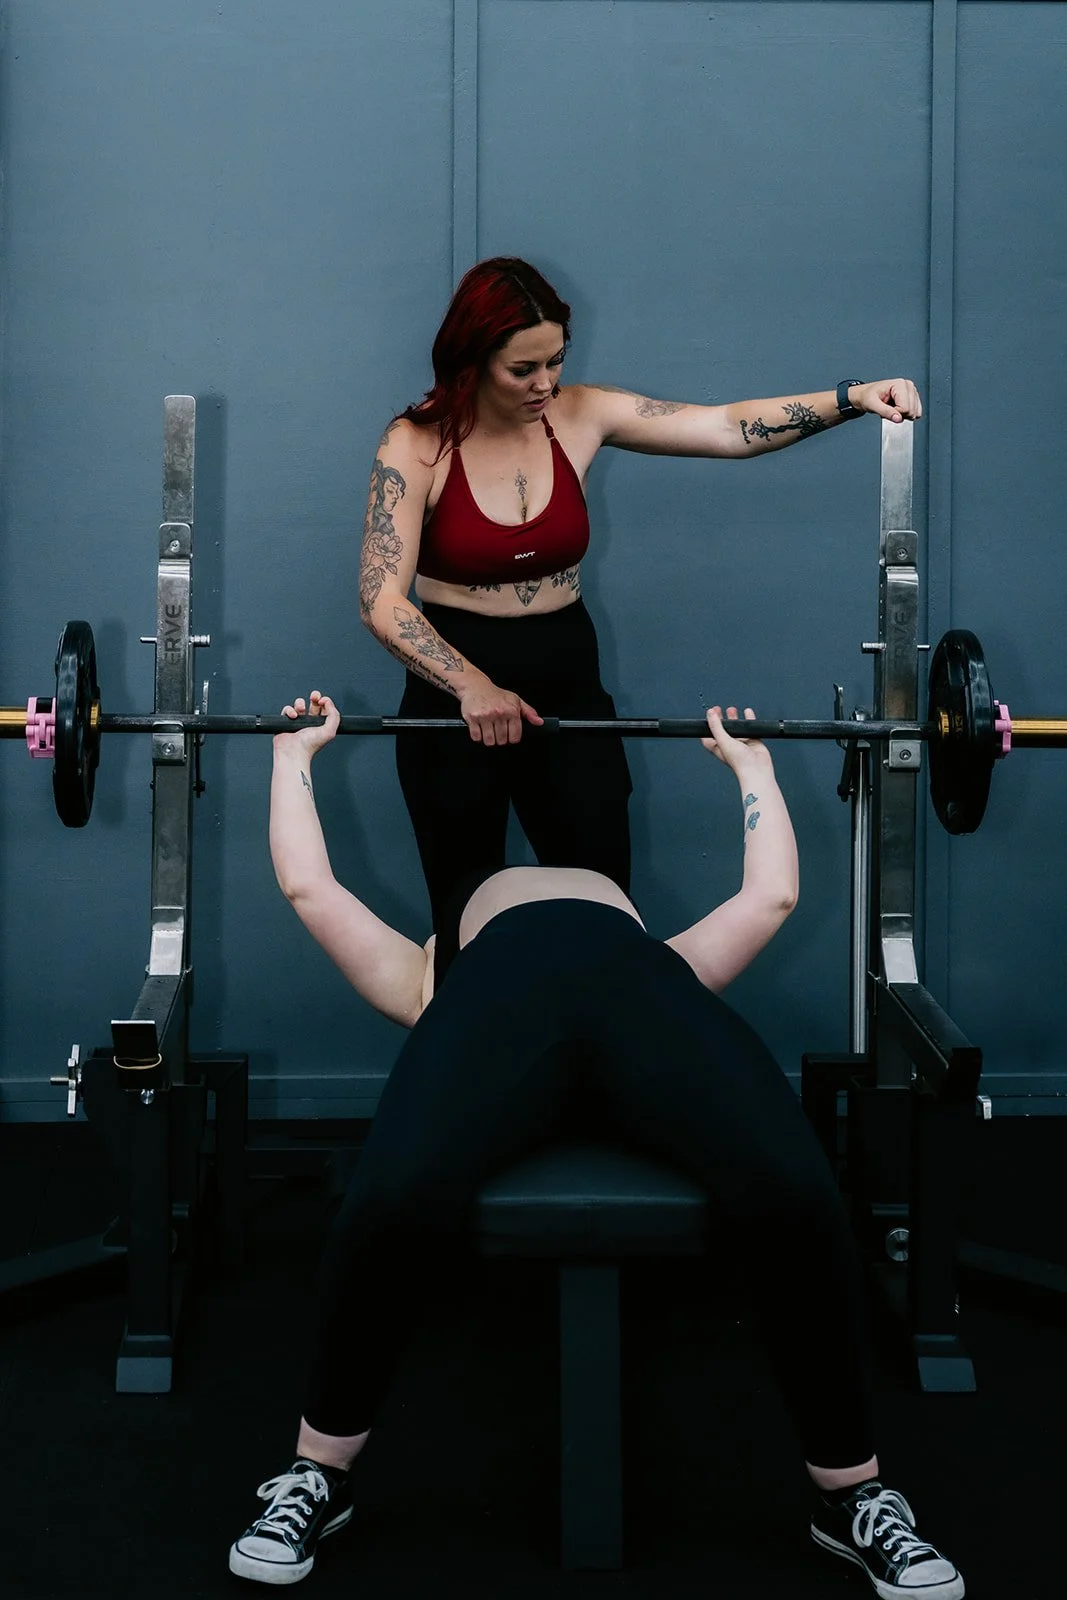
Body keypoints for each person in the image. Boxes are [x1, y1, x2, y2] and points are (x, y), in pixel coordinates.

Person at [227, 691, 963, 1599]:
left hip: (633, 1003)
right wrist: (290, 759)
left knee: (796, 1191)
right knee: (391, 1196)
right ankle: (316, 1477)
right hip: (514, 1011)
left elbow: (773, 897)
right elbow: (309, 886)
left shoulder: (658, 960)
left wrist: (752, 767)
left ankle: (851, 1497)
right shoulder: (429, 976)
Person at [358, 255, 923, 937]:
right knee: (462, 915)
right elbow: (381, 596)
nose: (545, 382)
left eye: (555, 361)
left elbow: (725, 428)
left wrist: (852, 398)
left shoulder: (581, 413)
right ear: (470, 360)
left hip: (566, 673)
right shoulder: (415, 443)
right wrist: (470, 684)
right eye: (522, 370)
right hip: (455, 685)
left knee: (600, 908)